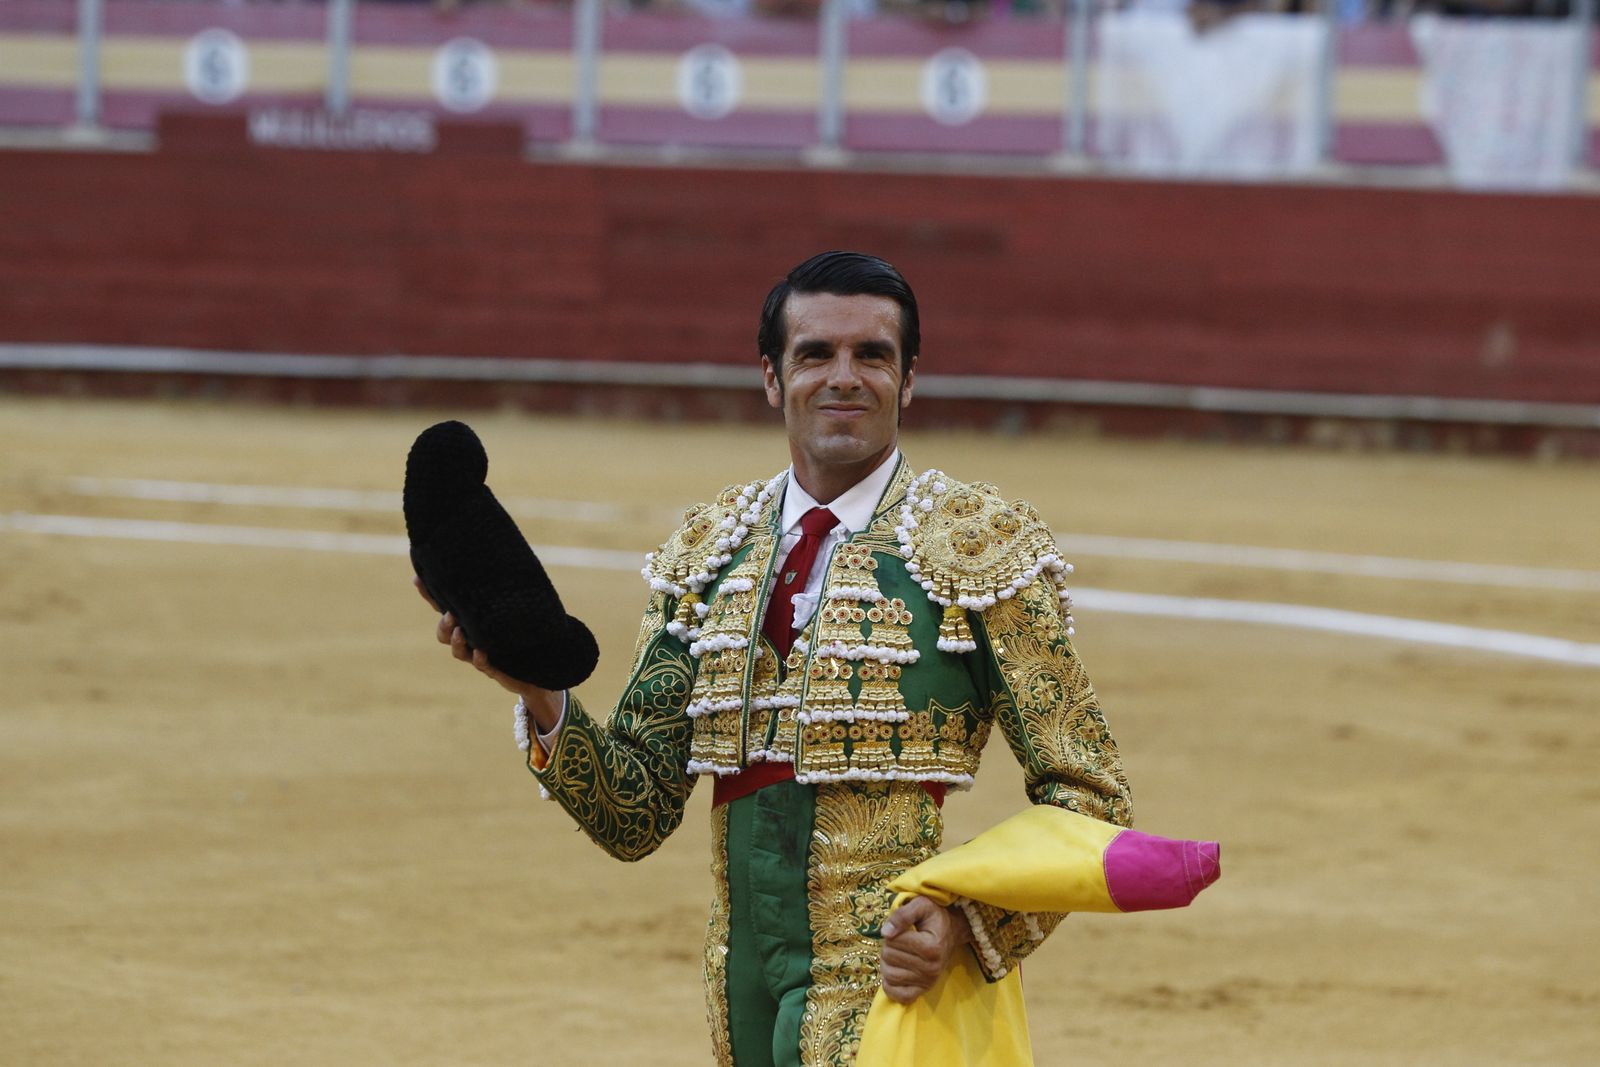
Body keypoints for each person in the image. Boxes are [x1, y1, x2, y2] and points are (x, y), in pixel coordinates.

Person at [417, 250, 1133, 1067]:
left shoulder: (975, 547)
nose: (844, 377)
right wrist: (540, 694)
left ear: (908, 382)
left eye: (872, 355)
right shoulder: (707, 552)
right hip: (737, 989)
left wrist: (972, 924)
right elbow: (636, 810)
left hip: (890, 980)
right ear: (770, 376)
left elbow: (1090, 794)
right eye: (815, 354)